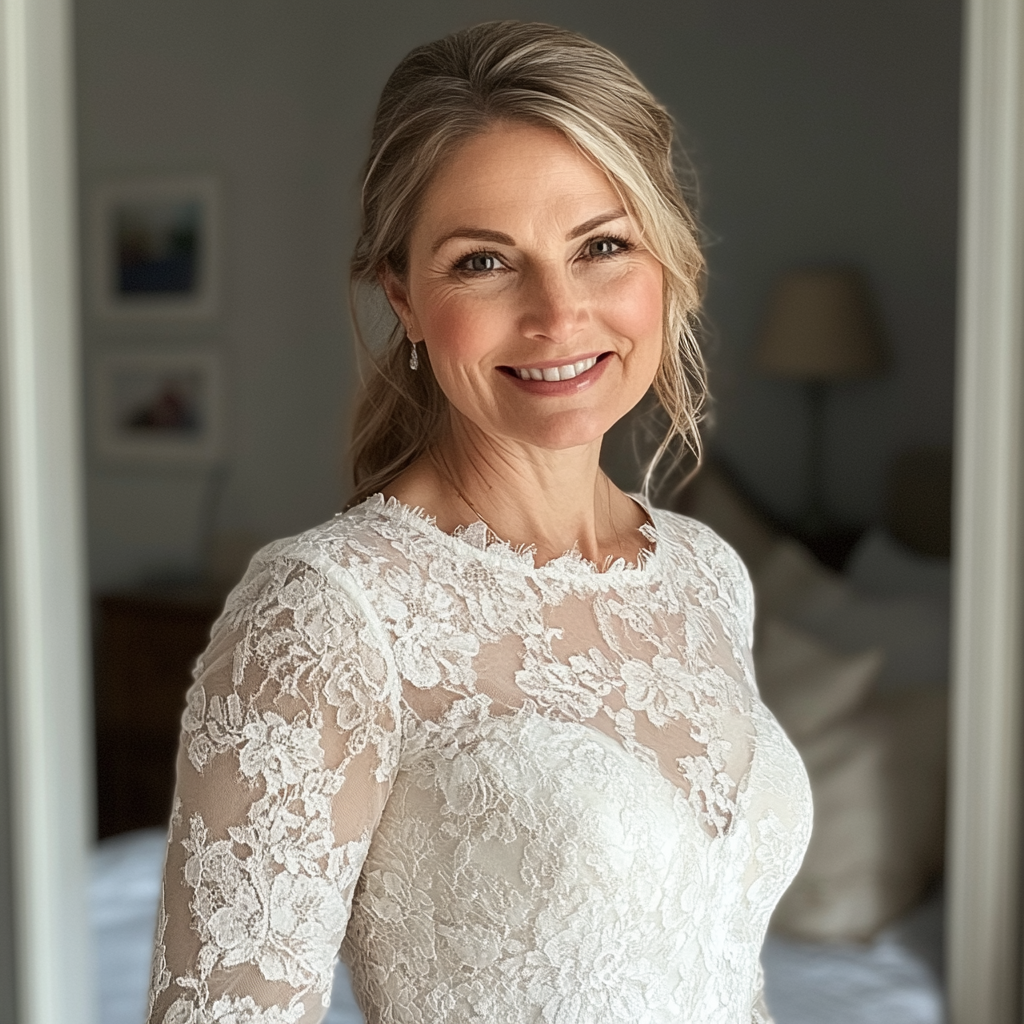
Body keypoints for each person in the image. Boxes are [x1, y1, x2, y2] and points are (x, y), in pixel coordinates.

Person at [145, 21, 812, 1024]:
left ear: (664, 260)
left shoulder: (704, 572)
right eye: (483, 262)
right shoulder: (326, 616)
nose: (557, 312)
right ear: (403, 297)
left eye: (601, 245)